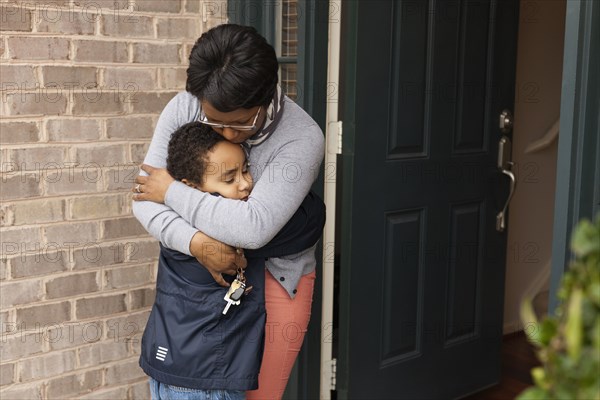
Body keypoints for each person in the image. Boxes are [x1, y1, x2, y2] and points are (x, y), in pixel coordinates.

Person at [132, 23, 325, 399]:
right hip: (199, 281)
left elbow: (253, 228)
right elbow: (145, 201)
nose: (225, 134)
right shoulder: (185, 106)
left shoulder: (302, 137)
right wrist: (196, 241)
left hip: (276, 282)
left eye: (239, 124)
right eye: (213, 120)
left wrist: (170, 189)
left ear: (266, 98)